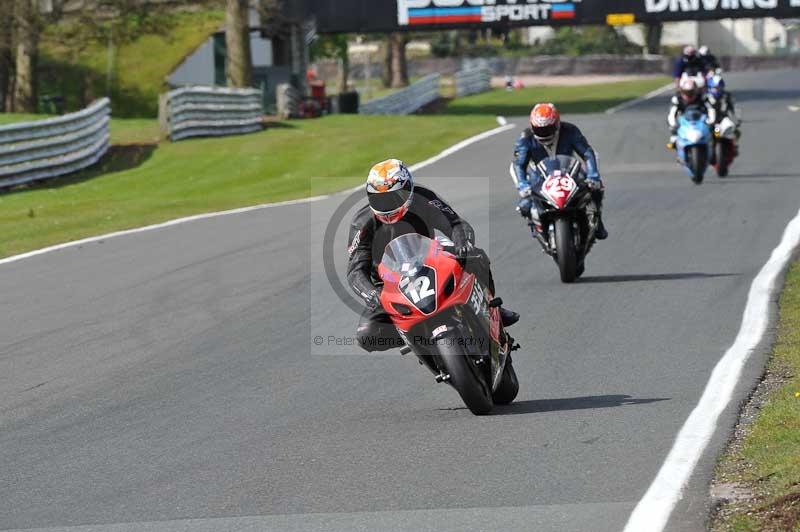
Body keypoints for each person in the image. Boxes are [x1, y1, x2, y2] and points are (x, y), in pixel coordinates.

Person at [347, 159, 519, 353]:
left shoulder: (423, 199)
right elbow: (355, 269)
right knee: (366, 336)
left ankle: (491, 310)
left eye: (394, 197)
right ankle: (416, 337)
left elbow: (455, 224)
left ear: (408, 190)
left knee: (475, 256)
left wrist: (463, 244)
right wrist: (372, 294)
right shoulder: (361, 223)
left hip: (432, 262)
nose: (387, 206)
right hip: (389, 285)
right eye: (379, 199)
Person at [512, 103, 607, 240]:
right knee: (524, 205)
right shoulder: (525, 138)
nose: (544, 133)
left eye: (548, 128)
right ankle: (537, 227)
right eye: (539, 129)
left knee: (596, 189)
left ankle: (596, 219)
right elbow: (519, 165)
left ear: (557, 123)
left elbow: (587, 153)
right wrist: (522, 185)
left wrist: (593, 176)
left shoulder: (570, 131)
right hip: (539, 178)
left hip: (569, 173)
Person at [667, 77, 717, 149]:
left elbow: (711, 109)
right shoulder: (677, 99)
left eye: (691, 92)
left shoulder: (703, 97)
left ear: (695, 91)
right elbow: (672, 114)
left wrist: (711, 121)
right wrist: (674, 125)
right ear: (682, 92)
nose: (689, 95)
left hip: (701, 122)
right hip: (684, 123)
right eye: (687, 92)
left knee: (716, 133)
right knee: (673, 138)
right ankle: (677, 143)